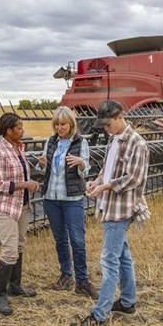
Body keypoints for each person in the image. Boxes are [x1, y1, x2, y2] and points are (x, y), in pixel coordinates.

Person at [71, 100, 151, 326]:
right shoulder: (113, 139)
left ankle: (100, 315)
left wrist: (104, 187)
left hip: (121, 208)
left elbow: (133, 178)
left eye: (108, 124)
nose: (105, 128)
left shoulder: (137, 143)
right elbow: (108, 170)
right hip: (110, 205)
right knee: (122, 256)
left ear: (120, 116)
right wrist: (95, 182)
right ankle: (127, 302)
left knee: (109, 261)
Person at [38, 106, 99, 299]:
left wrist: (81, 164)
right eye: (56, 124)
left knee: (78, 240)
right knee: (60, 240)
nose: (59, 128)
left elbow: (85, 171)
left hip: (72, 199)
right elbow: (45, 171)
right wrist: (41, 165)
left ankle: (82, 281)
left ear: (71, 124)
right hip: (51, 198)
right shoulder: (50, 142)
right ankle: (66, 275)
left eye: (63, 124)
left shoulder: (81, 143)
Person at [0, 113, 40, 316]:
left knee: (19, 245)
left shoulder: (19, 147)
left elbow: (21, 173)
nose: (22, 130)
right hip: (5, 207)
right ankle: (0, 296)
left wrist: (34, 172)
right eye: (19, 128)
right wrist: (25, 184)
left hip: (22, 204)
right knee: (9, 249)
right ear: (8, 131)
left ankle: (15, 286)